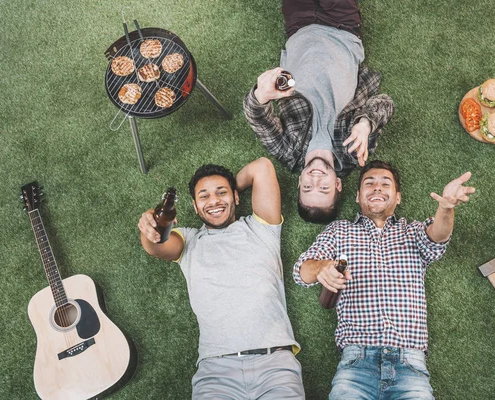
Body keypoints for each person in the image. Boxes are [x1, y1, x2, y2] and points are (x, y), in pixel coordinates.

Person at [292, 160, 475, 399]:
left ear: (397, 197)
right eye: (369, 183)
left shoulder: (413, 231)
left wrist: (447, 208)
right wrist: (321, 268)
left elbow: (437, 237)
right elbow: (301, 271)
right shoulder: (339, 231)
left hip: (410, 365)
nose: (377, 187)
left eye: (385, 184)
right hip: (356, 364)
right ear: (358, 197)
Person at [138, 158, 304, 399]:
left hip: (275, 366)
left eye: (221, 193)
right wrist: (150, 226)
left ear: (237, 197)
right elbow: (156, 246)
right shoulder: (189, 241)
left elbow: (262, 167)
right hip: (216, 372)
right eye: (203, 197)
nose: (213, 200)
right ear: (195, 207)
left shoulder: (261, 228)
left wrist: (225, 193)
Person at [243, 0, 395, 224]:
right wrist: (365, 124)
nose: (315, 179)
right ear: (337, 185)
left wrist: (260, 96)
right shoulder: (354, 151)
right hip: (344, 30)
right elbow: (385, 103)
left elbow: (258, 119)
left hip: (299, 28)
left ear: (299, 182)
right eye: (323, 188)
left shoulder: (289, 152)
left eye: (307, 187)